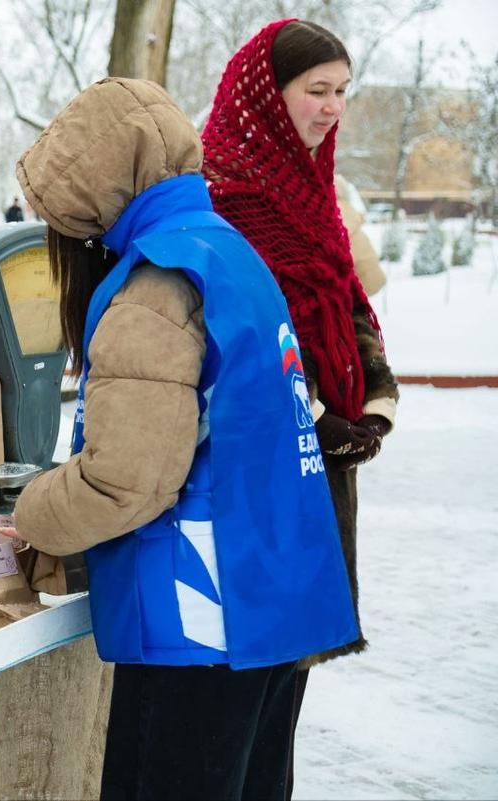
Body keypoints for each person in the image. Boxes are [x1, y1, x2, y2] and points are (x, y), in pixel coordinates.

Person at [10, 77, 359, 800]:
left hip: (200, 624)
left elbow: (127, 482)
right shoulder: (228, 250)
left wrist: (28, 510)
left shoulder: (156, 285)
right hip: (274, 601)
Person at [200, 20, 399, 794]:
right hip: (258, 474)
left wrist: (374, 402)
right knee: (245, 680)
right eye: (316, 90)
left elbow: (348, 300)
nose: (331, 109)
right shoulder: (221, 198)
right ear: (266, 97)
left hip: (328, 470)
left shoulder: (316, 190)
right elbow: (239, 337)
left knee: (286, 689)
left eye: (342, 92)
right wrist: (313, 416)